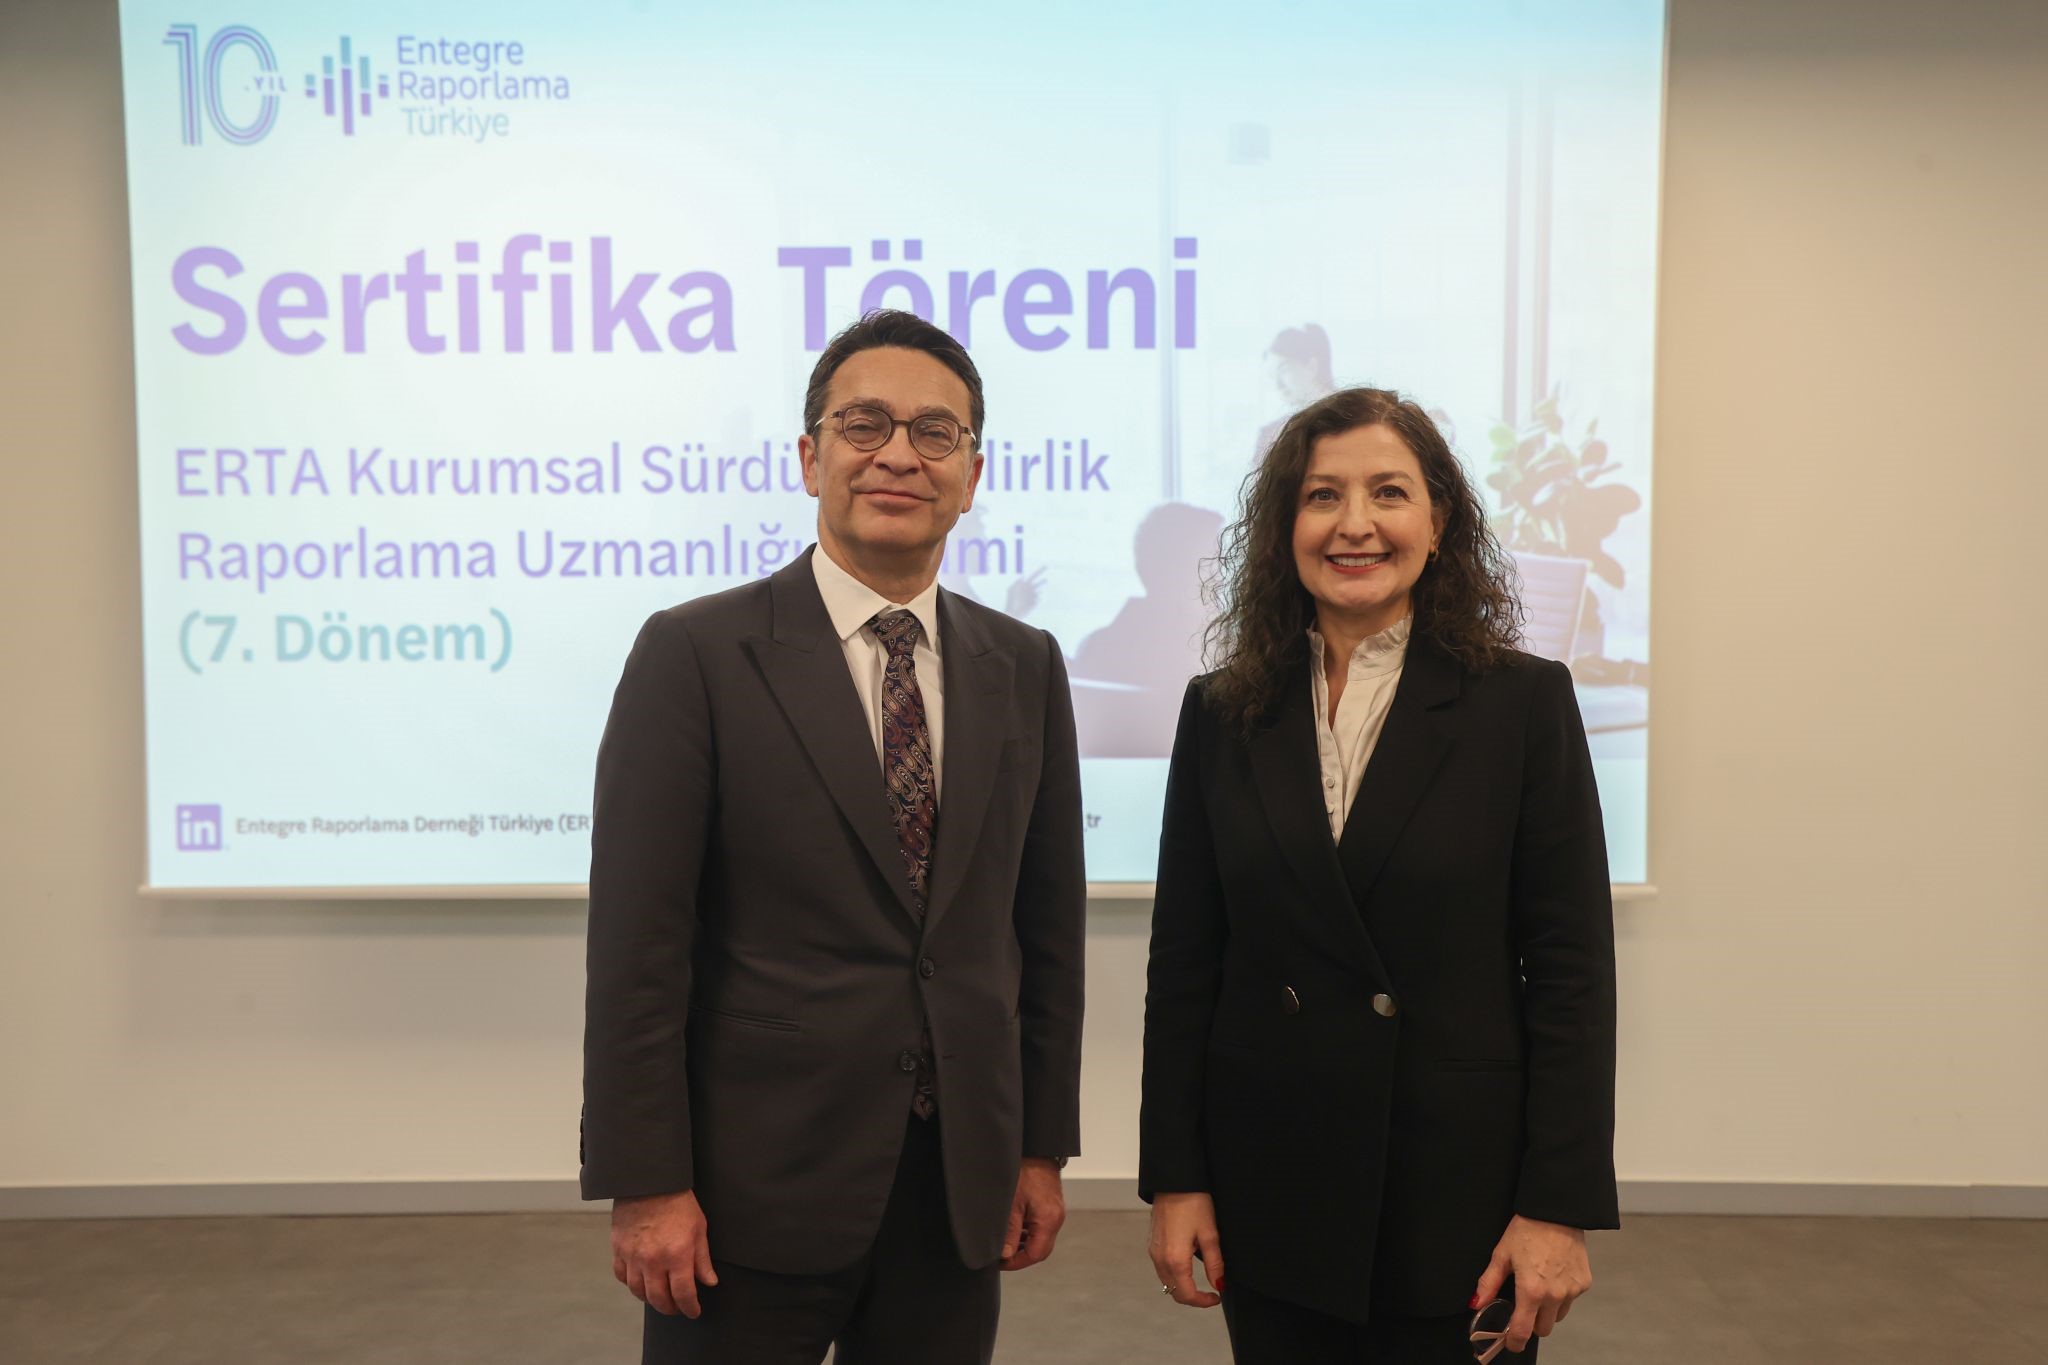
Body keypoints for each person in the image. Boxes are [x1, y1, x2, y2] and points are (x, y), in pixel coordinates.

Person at [582, 309, 1087, 1365]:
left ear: (971, 474)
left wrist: (1040, 1146)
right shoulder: (696, 653)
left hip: (955, 1186)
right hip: (746, 1195)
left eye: (934, 432)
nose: (899, 453)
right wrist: (647, 1182)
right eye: (865, 424)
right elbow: (638, 948)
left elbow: (1044, 934)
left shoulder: (1024, 664)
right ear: (811, 458)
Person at [1140, 388, 1617, 1362]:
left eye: (1388, 492)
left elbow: (1571, 972)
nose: (1353, 523)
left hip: (1458, 1193)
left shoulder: (1521, 703)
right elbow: (1185, 963)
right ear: (1284, 530)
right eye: (1322, 495)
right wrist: (1176, 1176)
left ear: (1438, 524)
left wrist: (1556, 1204)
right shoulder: (1221, 711)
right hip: (1270, 1179)